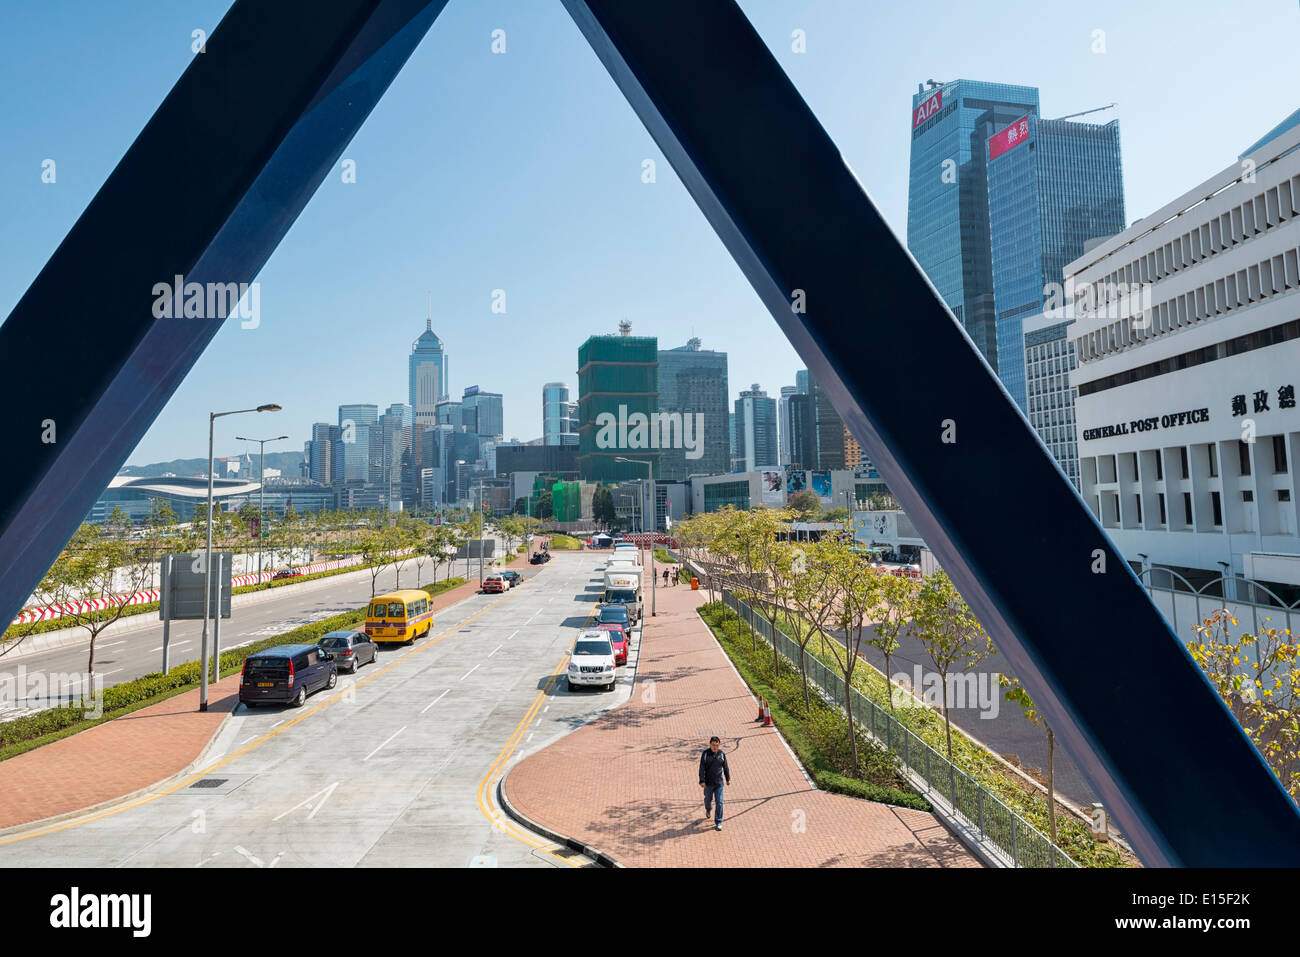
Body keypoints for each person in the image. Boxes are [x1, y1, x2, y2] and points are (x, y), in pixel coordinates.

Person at [698, 735, 731, 830]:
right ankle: (708, 809)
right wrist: (702, 780)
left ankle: (718, 821)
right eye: (713, 745)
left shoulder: (721, 754)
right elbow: (701, 768)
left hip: (719, 784)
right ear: (710, 744)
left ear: (719, 745)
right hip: (708, 784)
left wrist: (728, 778)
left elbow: (725, 767)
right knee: (708, 801)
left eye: (717, 745)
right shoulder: (705, 754)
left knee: (719, 802)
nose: (715, 747)